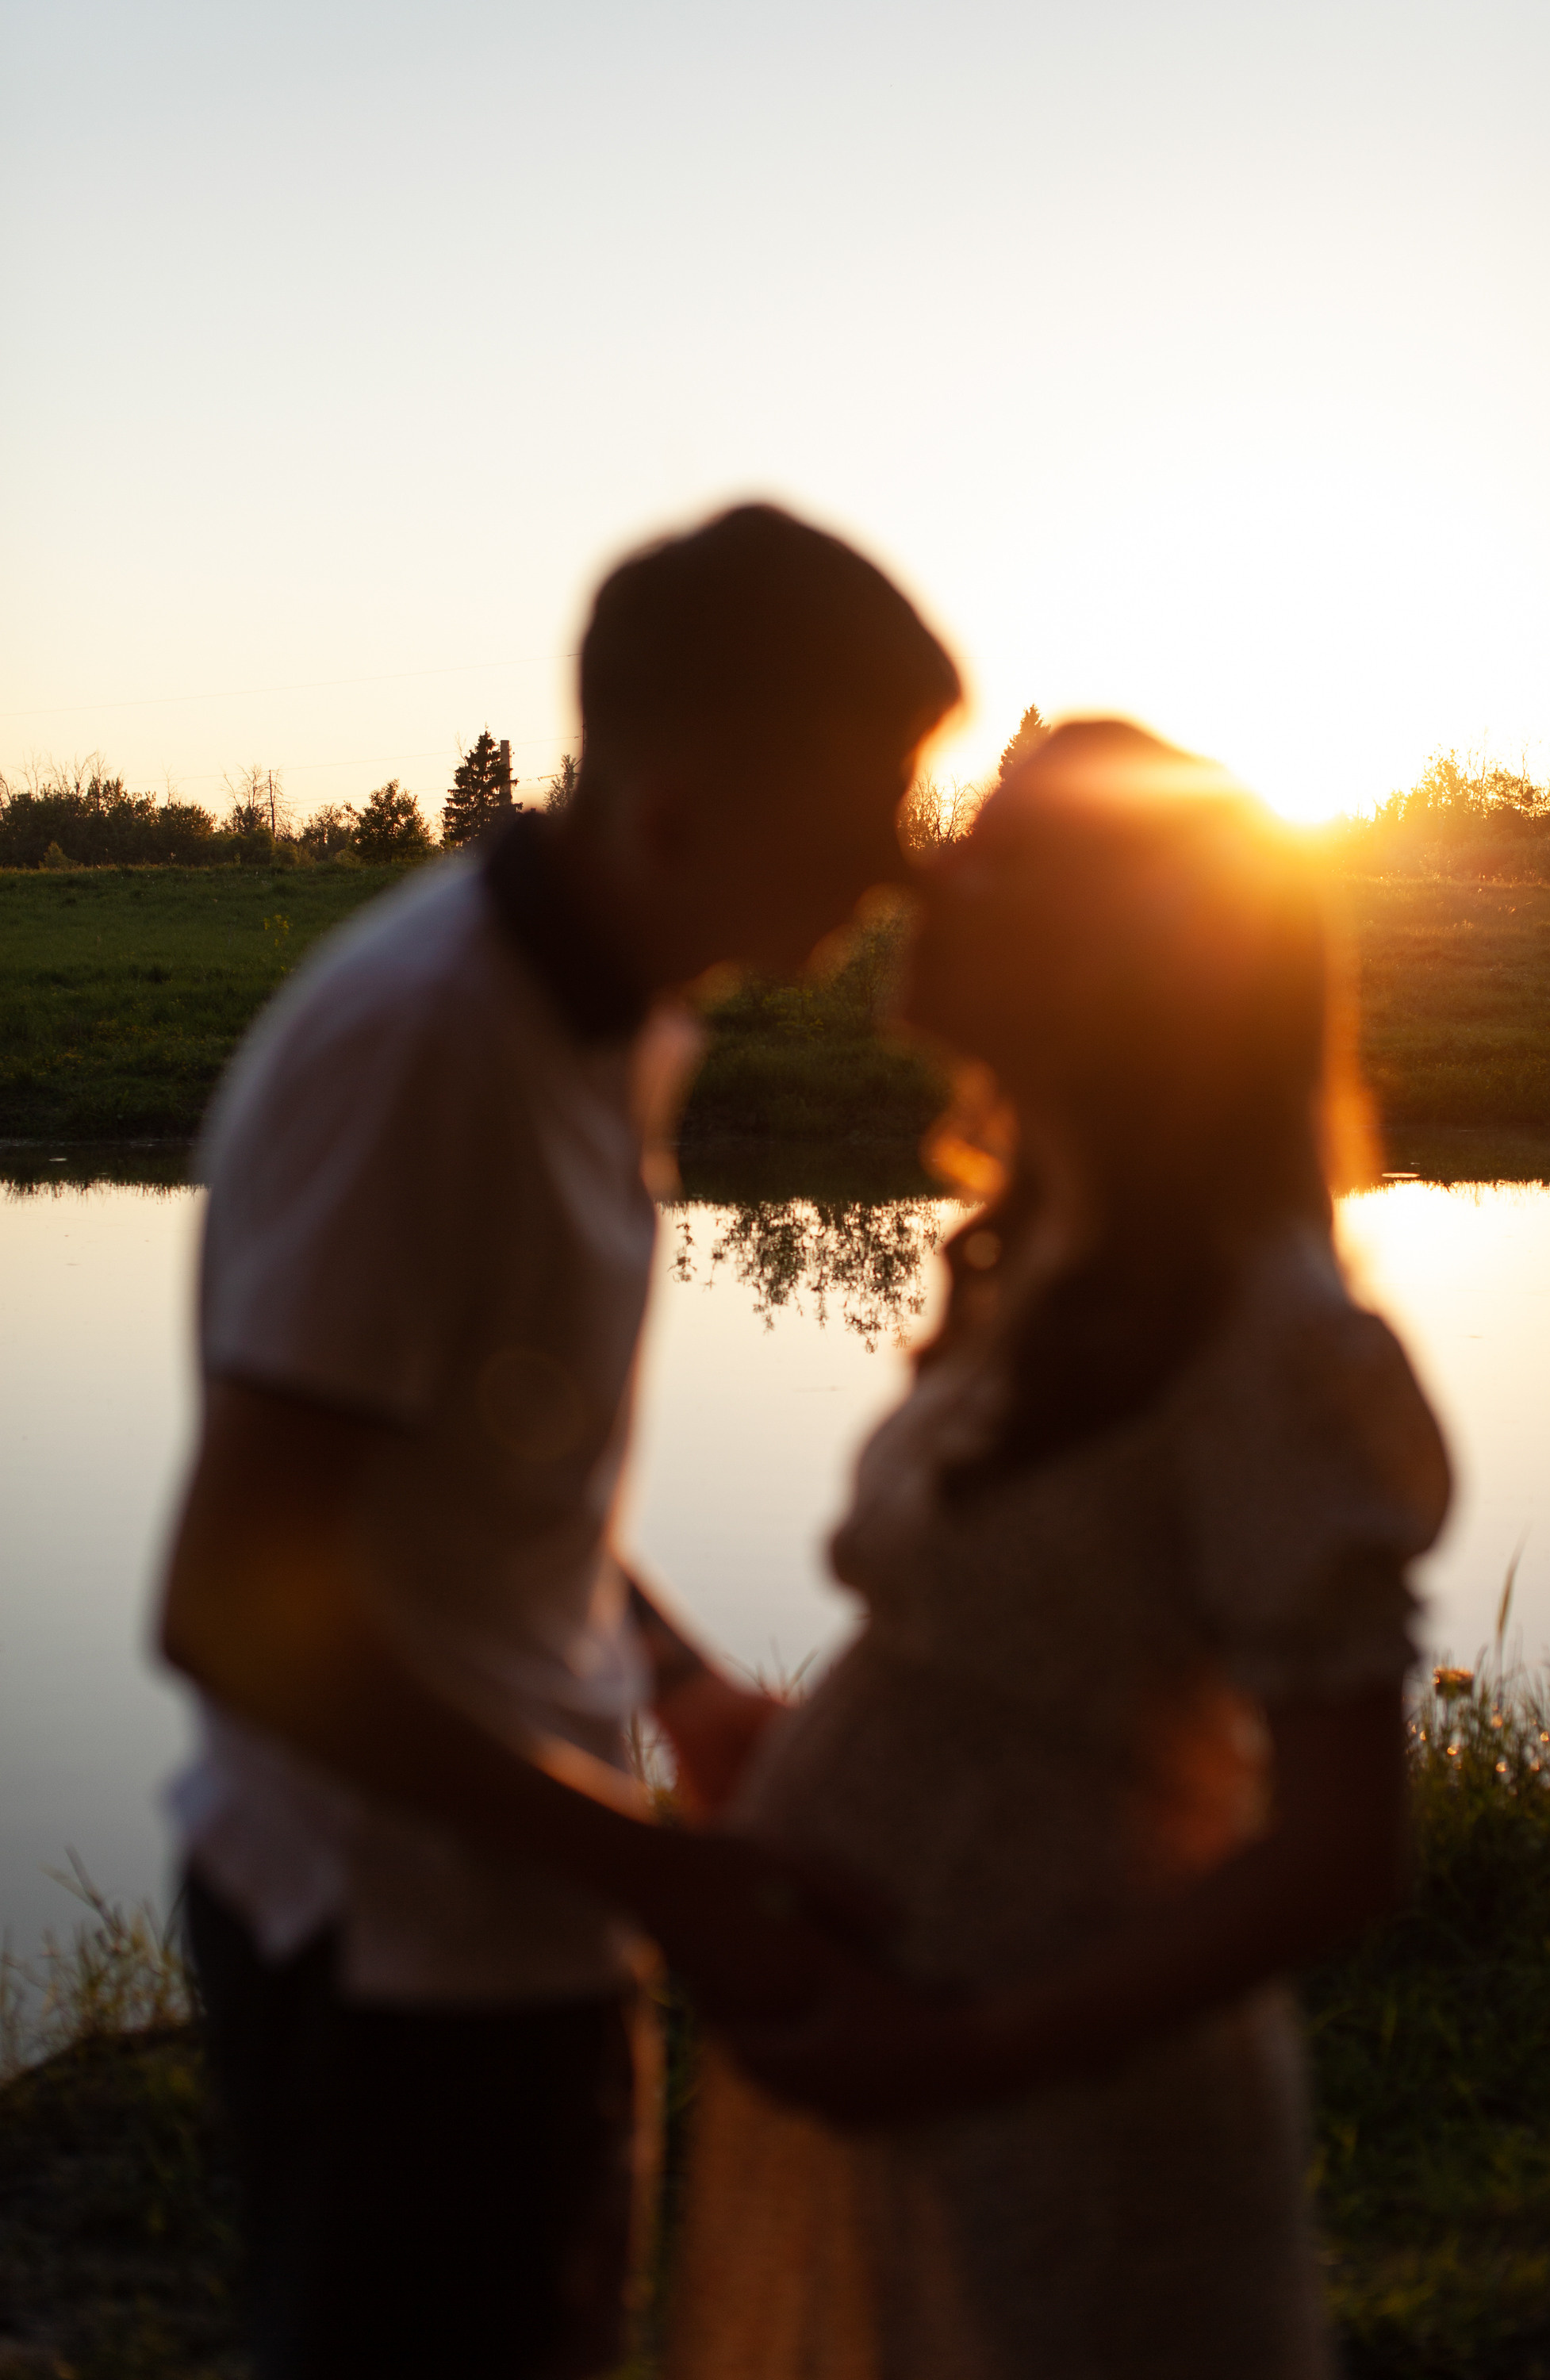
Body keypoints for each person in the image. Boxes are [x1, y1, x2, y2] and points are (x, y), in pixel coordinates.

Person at [156, 501, 961, 2380]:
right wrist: (659, 1875)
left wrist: (672, 1683)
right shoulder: (422, 1052)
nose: (887, 868)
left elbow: (492, 1472)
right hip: (387, 1961)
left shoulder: (623, 1020)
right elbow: (230, 1606)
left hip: (516, 1907)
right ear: (682, 796)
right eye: (860, 806)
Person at [665, 719, 1452, 2380]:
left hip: (1063, 2123)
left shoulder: (1273, 1343)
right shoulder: (1043, 1271)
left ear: (1127, 963)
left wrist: (961, 2050)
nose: (928, 867)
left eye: (1002, 850)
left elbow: (1336, 1853)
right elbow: (1040, 1677)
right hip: (896, 2070)